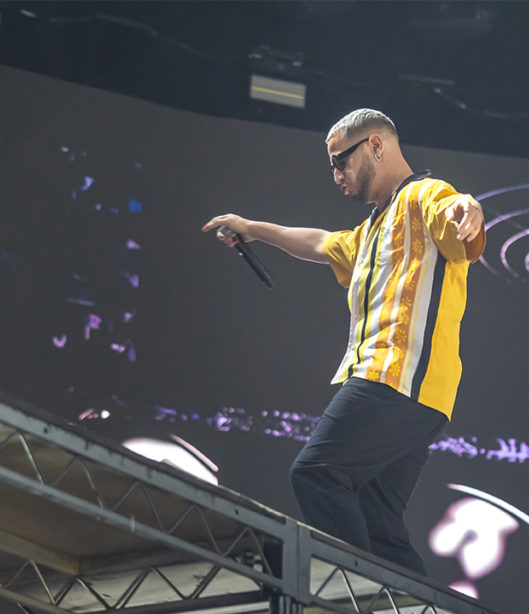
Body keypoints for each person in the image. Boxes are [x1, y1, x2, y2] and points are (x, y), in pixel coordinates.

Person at [202, 108, 485, 575]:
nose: (335, 174)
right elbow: (316, 243)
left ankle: (355, 595)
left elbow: (457, 214)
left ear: (376, 146)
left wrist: (469, 210)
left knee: (315, 472)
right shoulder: (372, 231)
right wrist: (252, 228)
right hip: (420, 398)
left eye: (341, 160)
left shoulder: (424, 196)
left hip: (395, 379)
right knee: (379, 526)